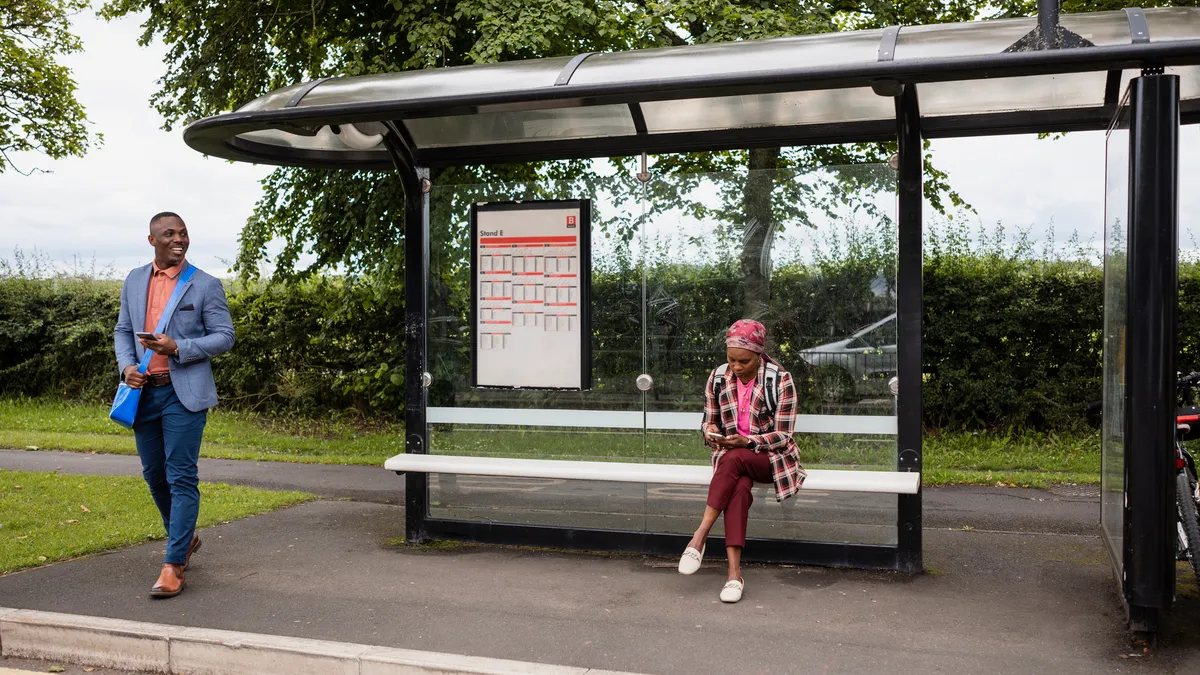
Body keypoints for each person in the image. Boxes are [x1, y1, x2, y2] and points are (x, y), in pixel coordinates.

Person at [113, 212, 235, 598]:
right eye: (169, 234)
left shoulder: (204, 284)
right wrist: (126, 367)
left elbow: (224, 337)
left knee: (181, 475)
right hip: (143, 393)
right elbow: (121, 330)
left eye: (183, 233)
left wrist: (178, 347)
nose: (178, 239)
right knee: (154, 475)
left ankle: (173, 564)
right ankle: (185, 537)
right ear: (152, 240)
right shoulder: (134, 280)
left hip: (184, 394)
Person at [678, 319, 807, 603]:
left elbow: (784, 435)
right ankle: (734, 576)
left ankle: (699, 536)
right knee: (737, 489)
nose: (736, 367)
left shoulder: (780, 379)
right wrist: (711, 433)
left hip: (772, 460)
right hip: (732, 460)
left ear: (759, 355)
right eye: (731, 360)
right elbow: (708, 421)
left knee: (736, 457)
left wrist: (748, 441)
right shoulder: (718, 377)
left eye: (744, 361)